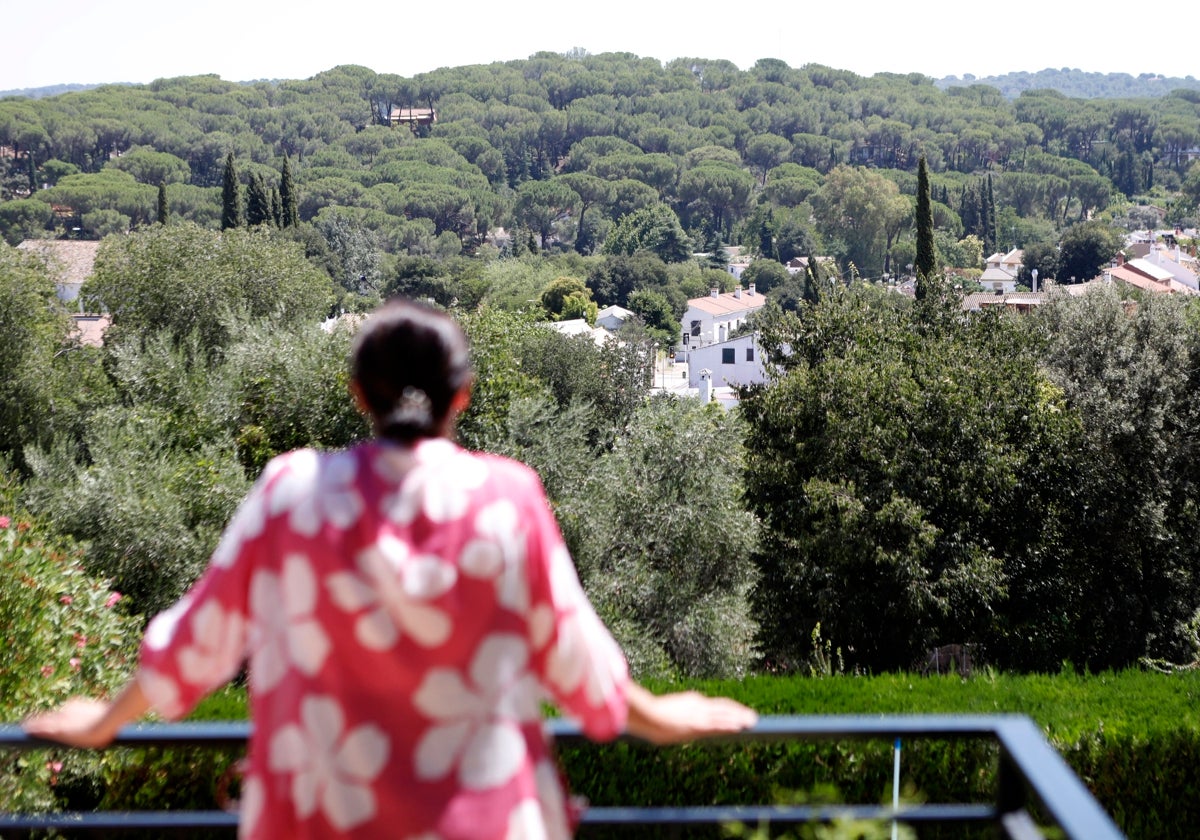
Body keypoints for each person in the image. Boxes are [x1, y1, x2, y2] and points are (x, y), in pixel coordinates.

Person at [24, 299, 757, 839]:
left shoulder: (291, 494)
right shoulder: (507, 497)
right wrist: (663, 718)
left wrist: (105, 720)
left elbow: (199, 641)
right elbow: (577, 661)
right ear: (462, 398)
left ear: (358, 395)